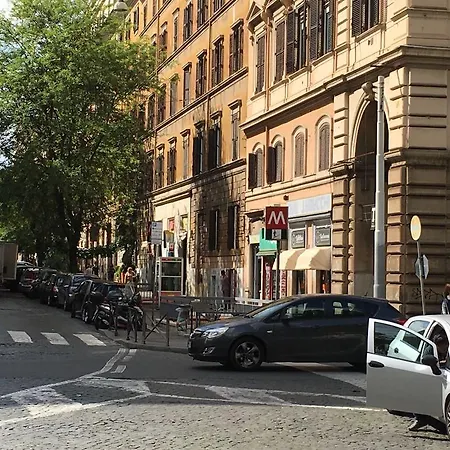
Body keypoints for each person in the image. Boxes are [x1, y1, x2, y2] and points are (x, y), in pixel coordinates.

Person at [408, 333, 449, 434]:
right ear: (436, 345)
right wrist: (436, 364)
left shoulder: (448, 350)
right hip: (425, 376)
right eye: (442, 346)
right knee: (417, 394)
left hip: (442, 376)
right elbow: (425, 361)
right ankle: (420, 418)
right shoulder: (429, 350)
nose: (445, 348)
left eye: (446, 345)